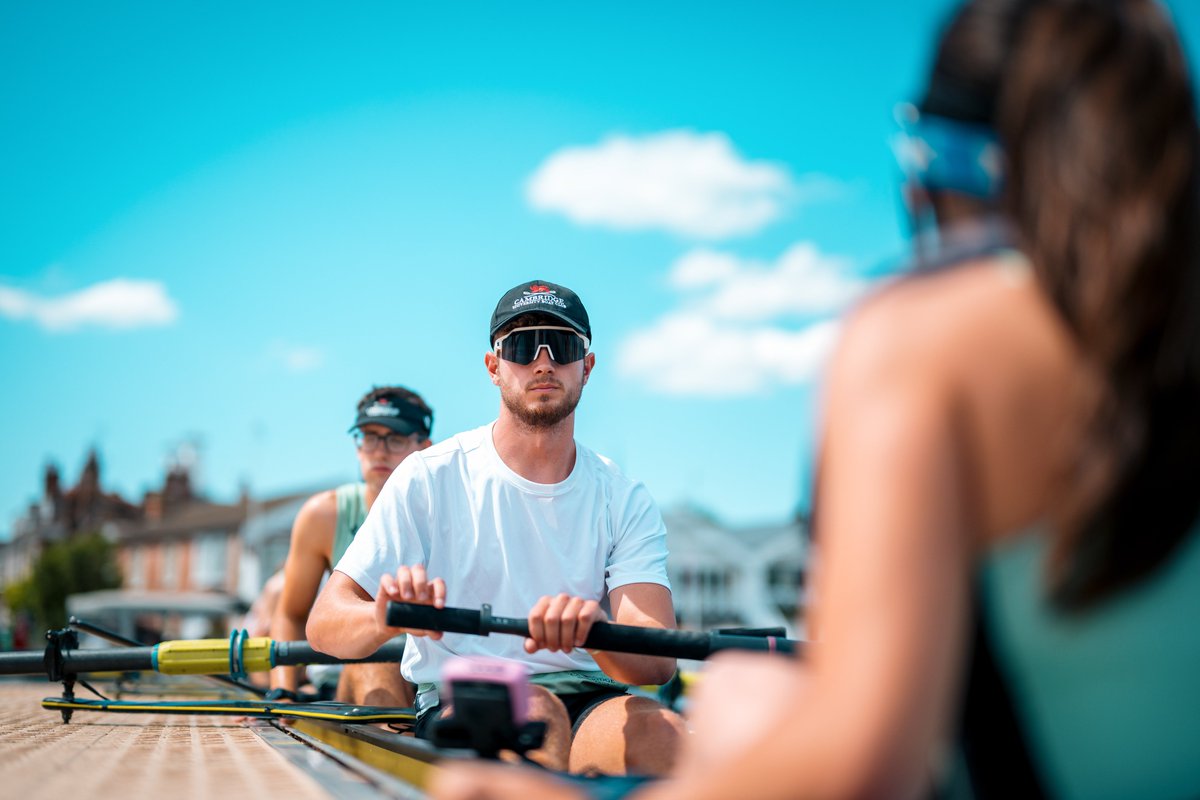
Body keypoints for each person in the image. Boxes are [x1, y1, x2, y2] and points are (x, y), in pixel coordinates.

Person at [430, 1, 1200, 798]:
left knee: (739, 697)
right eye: (523, 347)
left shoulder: (921, 334)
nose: (541, 360)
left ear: (927, 166)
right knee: (736, 691)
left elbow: (865, 760)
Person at [307, 280, 686, 775]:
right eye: (524, 347)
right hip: (465, 692)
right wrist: (386, 616)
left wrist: (596, 634)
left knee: (668, 736)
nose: (543, 362)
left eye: (563, 346)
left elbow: (656, 662)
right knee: (532, 711)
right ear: (494, 367)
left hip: (595, 698)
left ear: (586, 367)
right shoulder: (428, 475)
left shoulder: (623, 494)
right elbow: (323, 625)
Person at [269, 385, 434, 705]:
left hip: (427, 678)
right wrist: (284, 692)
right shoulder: (323, 515)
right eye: (370, 437)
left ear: (425, 448)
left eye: (395, 438)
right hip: (351, 672)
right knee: (376, 666)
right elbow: (290, 614)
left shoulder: (448, 511)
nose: (380, 451)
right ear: (358, 447)